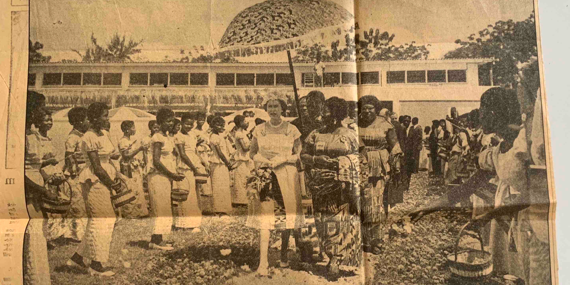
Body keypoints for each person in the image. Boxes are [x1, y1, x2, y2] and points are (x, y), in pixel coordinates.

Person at [301, 97, 362, 280]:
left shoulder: (349, 135)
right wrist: (315, 160)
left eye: (326, 111)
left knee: (337, 218)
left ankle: (335, 258)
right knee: (320, 219)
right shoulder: (315, 134)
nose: (322, 115)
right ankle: (326, 252)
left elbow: (360, 156)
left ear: (336, 114)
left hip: (340, 184)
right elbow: (303, 154)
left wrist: (343, 163)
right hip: (318, 184)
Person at [247, 95, 305, 276]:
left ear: (283, 109)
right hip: (266, 176)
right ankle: (263, 261)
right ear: (266, 109)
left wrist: (284, 159)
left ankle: (284, 255)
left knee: (285, 215)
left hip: (286, 176)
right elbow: (252, 153)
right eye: (270, 106)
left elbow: (299, 154)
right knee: (266, 217)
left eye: (276, 106)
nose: (273, 110)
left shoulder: (292, 129)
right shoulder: (259, 129)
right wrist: (262, 160)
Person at [69, 102, 121, 276]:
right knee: (102, 220)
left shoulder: (103, 134)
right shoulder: (88, 137)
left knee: (99, 220)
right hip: (95, 180)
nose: (107, 119)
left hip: (106, 178)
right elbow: (97, 167)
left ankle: (77, 257)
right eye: (104, 116)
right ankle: (96, 265)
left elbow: (109, 158)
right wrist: (111, 183)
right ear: (93, 118)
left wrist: (118, 177)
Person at [357, 95, 403, 254]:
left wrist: (396, 169)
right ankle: (362, 239)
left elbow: (395, 148)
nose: (367, 111)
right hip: (358, 168)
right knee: (360, 204)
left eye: (370, 108)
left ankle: (376, 240)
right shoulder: (354, 124)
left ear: (376, 109)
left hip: (378, 170)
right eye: (364, 108)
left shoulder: (385, 124)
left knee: (376, 205)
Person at [24, 107, 58, 284]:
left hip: (38, 181)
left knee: (39, 228)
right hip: (29, 187)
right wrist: (41, 189)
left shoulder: (34, 136)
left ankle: (39, 275)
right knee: (33, 229)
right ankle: (32, 276)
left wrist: (49, 180)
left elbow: (37, 165)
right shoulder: (24, 137)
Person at [147, 108, 185, 250]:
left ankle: (157, 238)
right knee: (160, 207)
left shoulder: (167, 137)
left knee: (164, 207)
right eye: (167, 121)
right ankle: (156, 241)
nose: (170, 124)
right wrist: (172, 174)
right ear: (160, 122)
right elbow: (156, 161)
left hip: (165, 176)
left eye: (171, 121)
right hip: (158, 176)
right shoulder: (157, 138)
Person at [62, 107, 90, 242]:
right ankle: (74, 233)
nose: (88, 122)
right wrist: (74, 171)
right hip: (75, 174)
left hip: (83, 172)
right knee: (76, 203)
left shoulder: (81, 136)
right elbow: (69, 156)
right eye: (87, 120)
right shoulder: (73, 137)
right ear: (79, 122)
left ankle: (81, 231)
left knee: (83, 203)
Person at [173, 113, 205, 230]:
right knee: (185, 194)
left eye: (191, 124)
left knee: (193, 194)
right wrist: (193, 167)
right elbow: (182, 154)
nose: (189, 126)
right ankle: (184, 224)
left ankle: (192, 222)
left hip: (193, 166)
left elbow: (194, 151)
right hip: (184, 167)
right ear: (181, 123)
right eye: (186, 124)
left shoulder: (192, 135)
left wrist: (200, 164)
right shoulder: (178, 136)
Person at [118, 120, 148, 218]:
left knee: (136, 189)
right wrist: (139, 149)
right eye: (133, 128)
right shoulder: (123, 141)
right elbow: (126, 156)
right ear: (127, 130)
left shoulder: (129, 140)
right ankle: (131, 213)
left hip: (134, 167)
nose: (134, 130)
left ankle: (138, 212)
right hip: (128, 168)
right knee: (130, 189)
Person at [209, 116, 235, 216]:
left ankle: (224, 207)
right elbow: (219, 153)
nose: (220, 127)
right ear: (212, 126)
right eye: (218, 125)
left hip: (222, 163)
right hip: (217, 163)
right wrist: (227, 163)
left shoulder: (220, 136)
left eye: (222, 125)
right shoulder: (213, 137)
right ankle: (218, 208)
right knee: (218, 186)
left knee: (224, 185)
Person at [232, 115, 252, 206]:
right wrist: (254, 144)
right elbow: (244, 148)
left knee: (245, 178)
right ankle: (239, 200)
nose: (247, 123)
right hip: (241, 158)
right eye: (245, 121)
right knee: (240, 179)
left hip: (246, 158)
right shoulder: (239, 134)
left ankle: (244, 198)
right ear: (240, 123)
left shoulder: (243, 133)